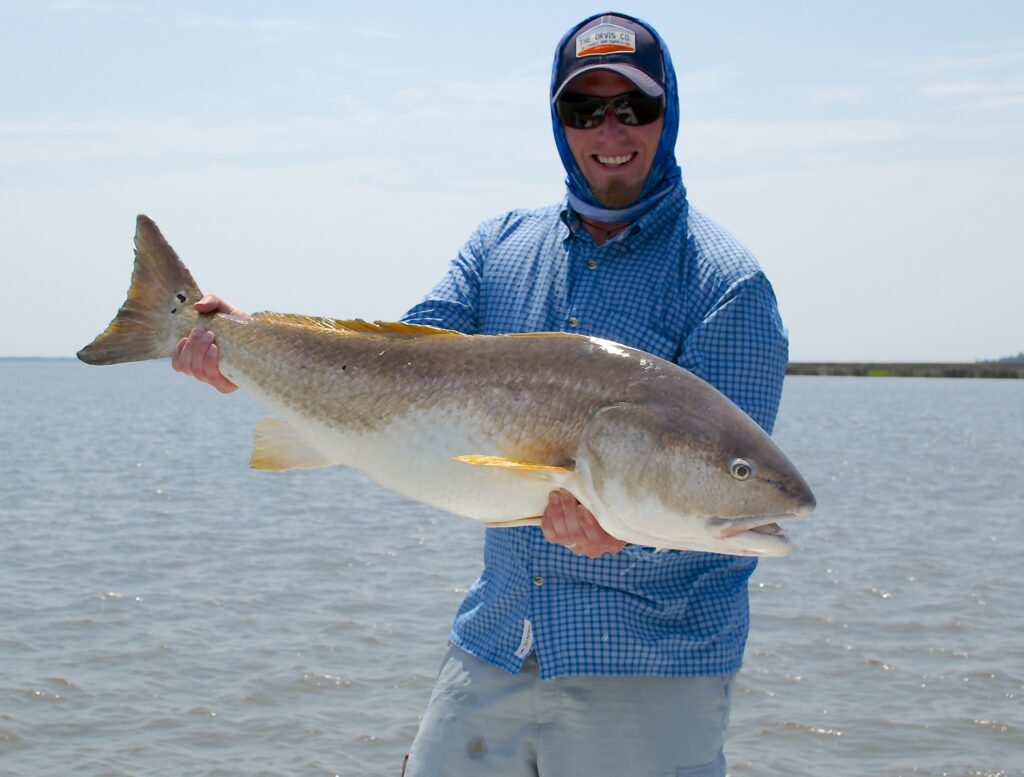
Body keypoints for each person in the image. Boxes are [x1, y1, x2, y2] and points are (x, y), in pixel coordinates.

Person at [174, 12, 789, 776]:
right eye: (583, 109)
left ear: (670, 112)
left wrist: (622, 534)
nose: (610, 130)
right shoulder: (499, 246)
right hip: (495, 640)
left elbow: (710, 481)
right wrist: (238, 344)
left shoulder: (728, 288)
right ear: (558, 121)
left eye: (633, 107)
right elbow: (389, 367)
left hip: (648, 672)